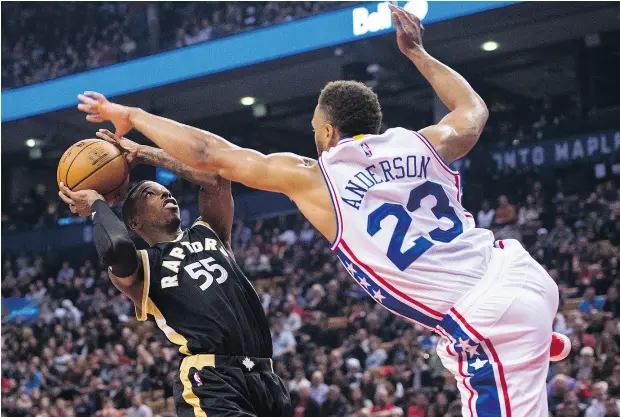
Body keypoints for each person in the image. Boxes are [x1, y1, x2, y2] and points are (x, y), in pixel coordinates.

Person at [76, 5, 568, 416]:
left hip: (486, 318)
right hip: (519, 272)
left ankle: (520, 351)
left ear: (329, 132)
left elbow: (209, 155)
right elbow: (473, 110)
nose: (314, 136)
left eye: (315, 127)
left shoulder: (318, 175)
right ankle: (530, 344)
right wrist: (418, 53)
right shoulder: (423, 142)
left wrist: (133, 117)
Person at [57, 131, 291, 417]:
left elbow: (216, 179)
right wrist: (96, 203)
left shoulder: (209, 231)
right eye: (150, 193)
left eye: (164, 190)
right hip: (212, 380)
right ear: (134, 221)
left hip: (266, 377)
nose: (165, 193)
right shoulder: (143, 267)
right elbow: (116, 245)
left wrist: (142, 153)